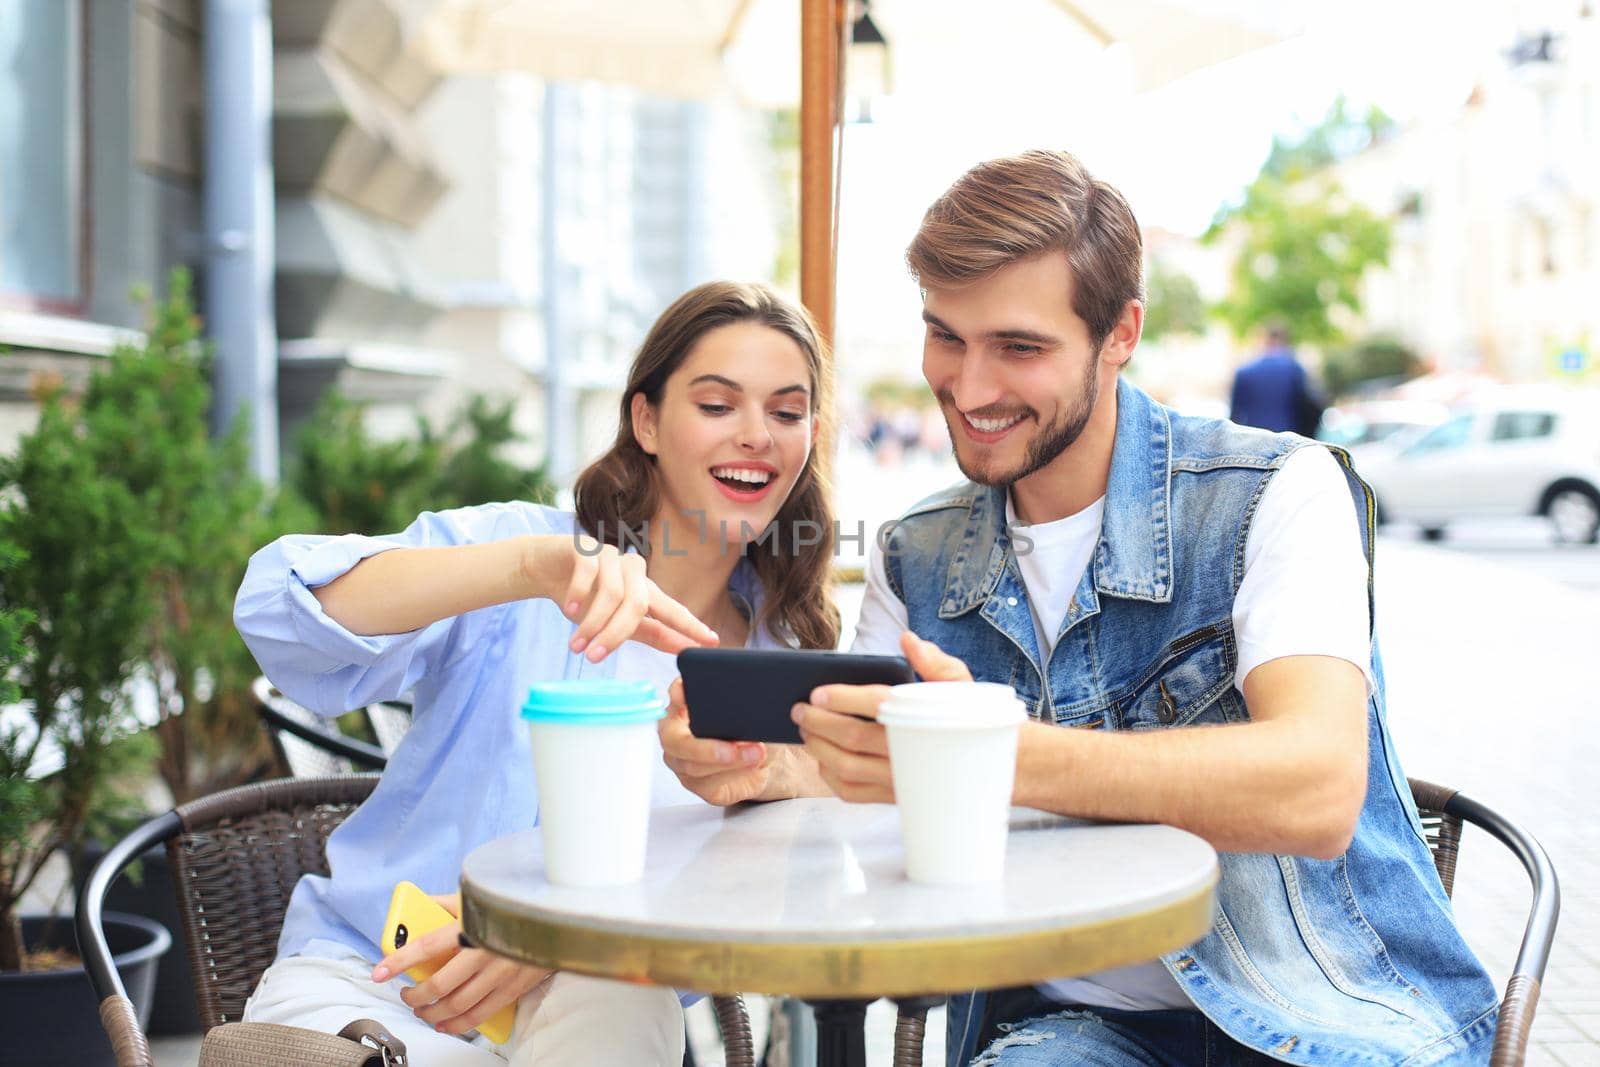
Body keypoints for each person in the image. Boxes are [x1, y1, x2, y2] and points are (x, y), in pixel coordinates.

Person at [662, 152, 1498, 1065]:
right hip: (1070, 1033)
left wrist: (986, 753)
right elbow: (864, 775)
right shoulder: (920, 551)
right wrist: (760, 770)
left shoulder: (1275, 492)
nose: (970, 389)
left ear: (1119, 333)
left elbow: (1318, 785)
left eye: (1018, 348)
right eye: (947, 336)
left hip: (1332, 1013)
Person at [233, 280, 841, 1066]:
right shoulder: (529, 555)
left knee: (623, 988)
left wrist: (555, 935)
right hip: (375, 986)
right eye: (718, 404)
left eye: (786, 412)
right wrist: (532, 567)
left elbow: (769, 890)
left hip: (595, 1011)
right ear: (646, 419)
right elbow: (278, 611)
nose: (757, 434)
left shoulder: (783, 658)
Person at [1229, 322, 1324, 436]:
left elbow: (1235, 414)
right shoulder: (1295, 369)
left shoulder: (1245, 371)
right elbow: (1308, 404)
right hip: (1288, 436)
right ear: (1284, 340)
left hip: (1255, 438)